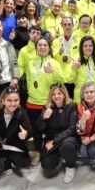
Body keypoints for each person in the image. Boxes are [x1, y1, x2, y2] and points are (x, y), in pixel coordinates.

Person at [24, 37, 65, 165]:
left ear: (49, 48)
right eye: (39, 45)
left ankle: (53, 150)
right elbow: (29, 80)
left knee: (51, 129)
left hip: (48, 102)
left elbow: (63, 80)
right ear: (36, 48)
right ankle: (38, 152)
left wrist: (53, 72)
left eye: (44, 45)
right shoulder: (31, 62)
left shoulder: (54, 62)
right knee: (36, 130)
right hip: (32, 102)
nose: (42, 47)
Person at [36, 84, 80, 183]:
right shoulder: (48, 107)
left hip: (68, 138)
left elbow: (72, 129)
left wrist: (54, 142)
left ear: (64, 95)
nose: (56, 96)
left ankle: (70, 167)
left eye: (59, 93)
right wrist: (43, 118)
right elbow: (39, 127)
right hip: (52, 138)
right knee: (47, 164)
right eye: (54, 94)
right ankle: (59, 155)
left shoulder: (72, 106)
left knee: (67, 147)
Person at [0, 87, 33, 175]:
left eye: (16, 100)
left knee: (25, 162)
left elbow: (28, 128)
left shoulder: (21, 113)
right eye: (9, 100)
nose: (13, 104)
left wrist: (25, 133)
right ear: (3, 101)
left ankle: (7, 159)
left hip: (13, 144)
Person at [70, 36, 95, 103]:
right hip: (81, 97)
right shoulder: (76, 59)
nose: (88, 48)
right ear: (81, 47)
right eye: (85, 46)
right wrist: (73, 69)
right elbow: (70, 80)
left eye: (90, 45)